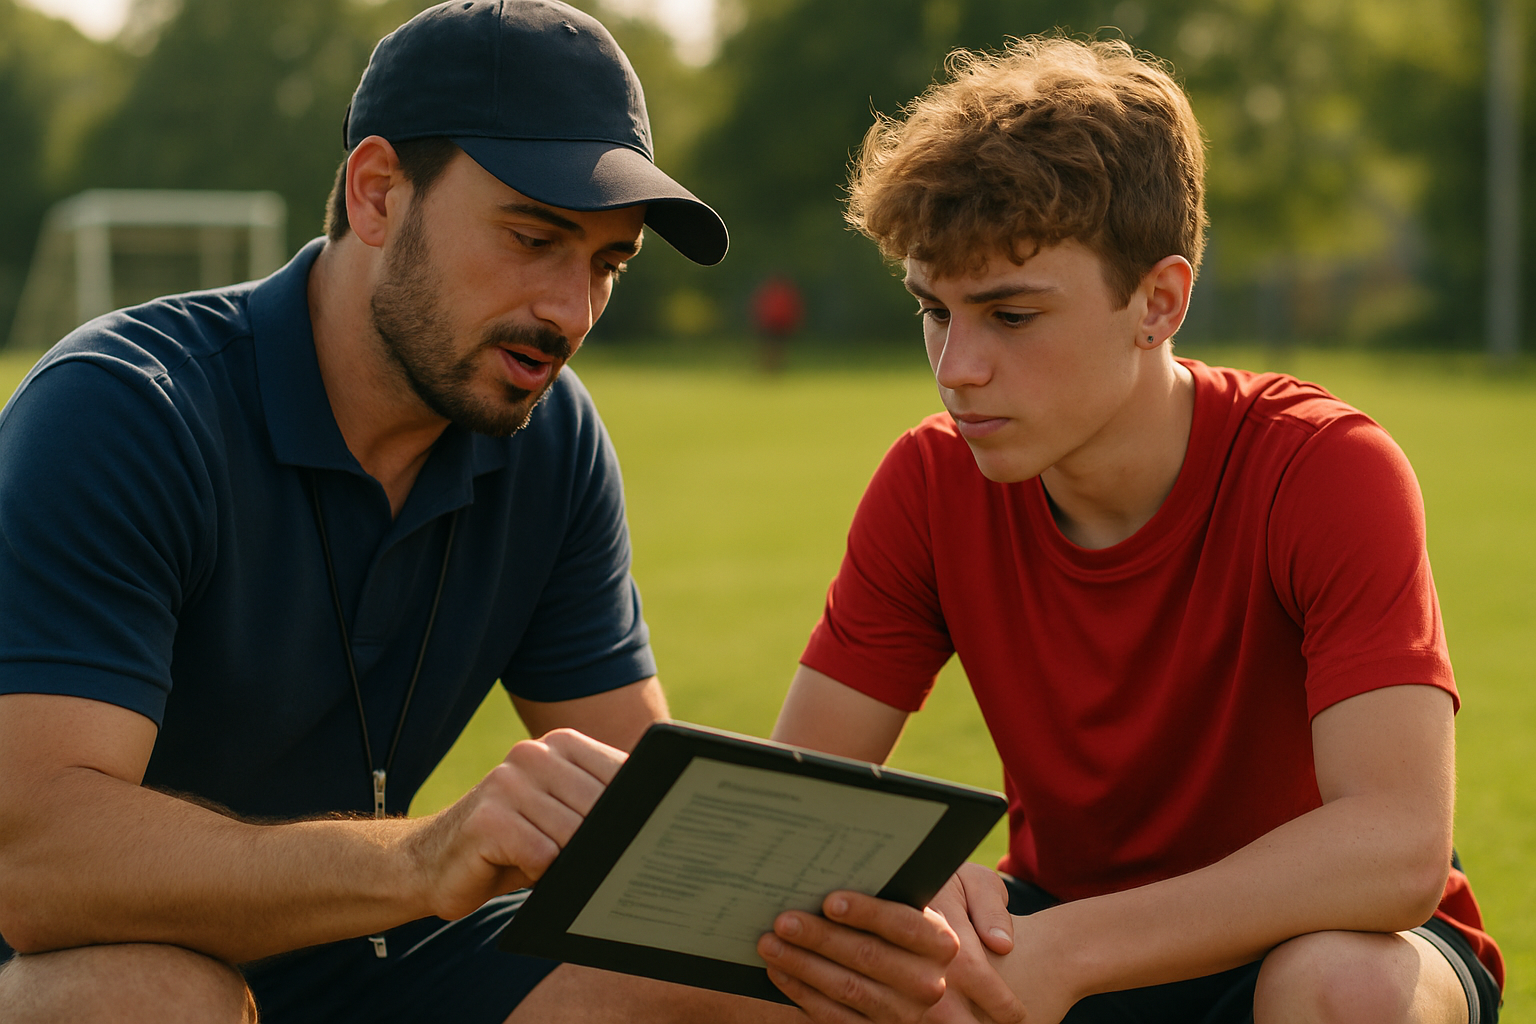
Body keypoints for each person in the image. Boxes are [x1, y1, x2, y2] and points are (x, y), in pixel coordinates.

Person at [0, 3, 958, 1022]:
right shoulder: (127, 409)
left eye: (605, 263)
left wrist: (873, 912)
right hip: (95, 956)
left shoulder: (545, 436)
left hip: (361, 958)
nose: (570, 311)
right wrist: (422, 857)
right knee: (146, 995)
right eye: (533, 237)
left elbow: (645, 827)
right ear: (376, 194)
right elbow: (35, 865)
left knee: (789, 980)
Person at [769, 36, 1505, 1024]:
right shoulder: (929, 481)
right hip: (1058, 928)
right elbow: (794, 808)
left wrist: (1066, 951)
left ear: (1158, 302)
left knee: (1342, 988)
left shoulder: (1324, 469)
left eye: (1010, 315)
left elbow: (1397, 845)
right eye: (933, 311)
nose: (957, 368)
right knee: (839, 981)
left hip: (1320, 936)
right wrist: (924, 886)